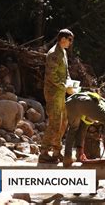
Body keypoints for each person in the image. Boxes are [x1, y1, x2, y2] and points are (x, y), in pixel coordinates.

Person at [62, 92, 105, 167]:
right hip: (85, 102)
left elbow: (82, 130)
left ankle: (67, 157)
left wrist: (80, 152)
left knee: (73, 128)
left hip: (70, 103)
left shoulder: (91, 109)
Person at [39, 29, 75, 163]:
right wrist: (64, 86)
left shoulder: (63, 52)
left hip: (61, 92)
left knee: (63, 121)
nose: (70, 43)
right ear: (63, 39)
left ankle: (56, 151)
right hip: (53, 92)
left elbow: (65, 72)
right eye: (69, 40)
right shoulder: (54, 53)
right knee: (54, 122)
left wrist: (70, 84)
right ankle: (43, 152)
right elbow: (51, 75)